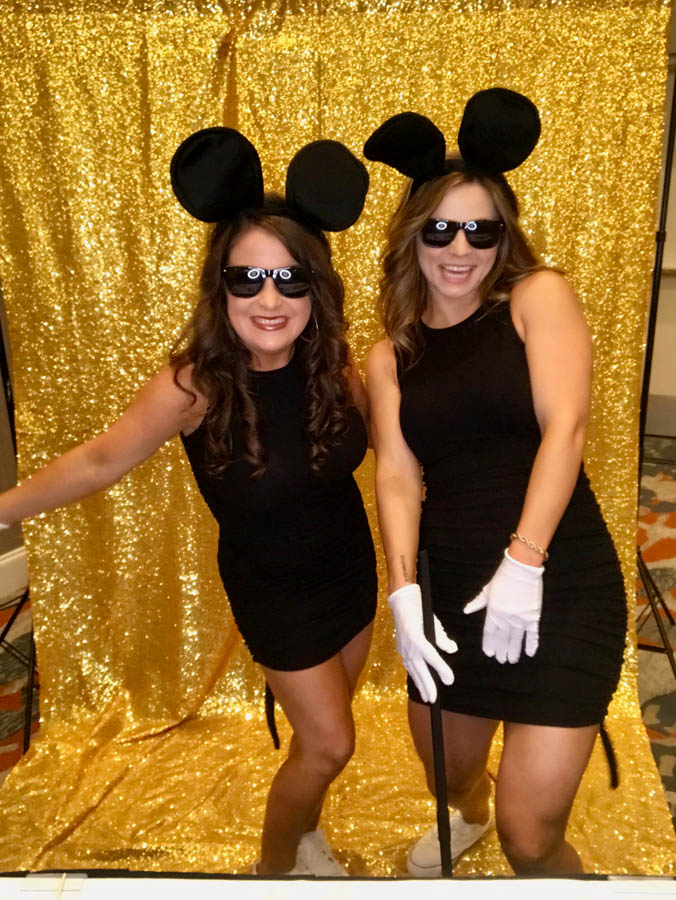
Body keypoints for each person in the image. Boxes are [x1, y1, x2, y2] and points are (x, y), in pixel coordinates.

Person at [0, 129, 377, 877]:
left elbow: (390, 447)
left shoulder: (334, 363)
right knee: (332, 744)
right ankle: (273, 876)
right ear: (220, 287)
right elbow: (99, 460)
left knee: (321, 740)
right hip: (275, 593)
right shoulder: (192, 386)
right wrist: (3, 508)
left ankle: (307, 836)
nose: (269, 299)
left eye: (290, 279)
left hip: (350, 571)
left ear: (315, 288)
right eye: (248, 279)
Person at [363, 89, 627, 876]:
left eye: (482, 230)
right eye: (441, 229)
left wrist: (524, 560)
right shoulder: (390, 355)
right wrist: (403, 593)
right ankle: (469, 812)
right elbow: (397, 476)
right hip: (448, 585)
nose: (461, 248)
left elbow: (565, 429)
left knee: (530, 837)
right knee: (449, 779)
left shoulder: (537, 297)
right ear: (412, 234)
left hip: (559, 576)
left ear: (504, 235)